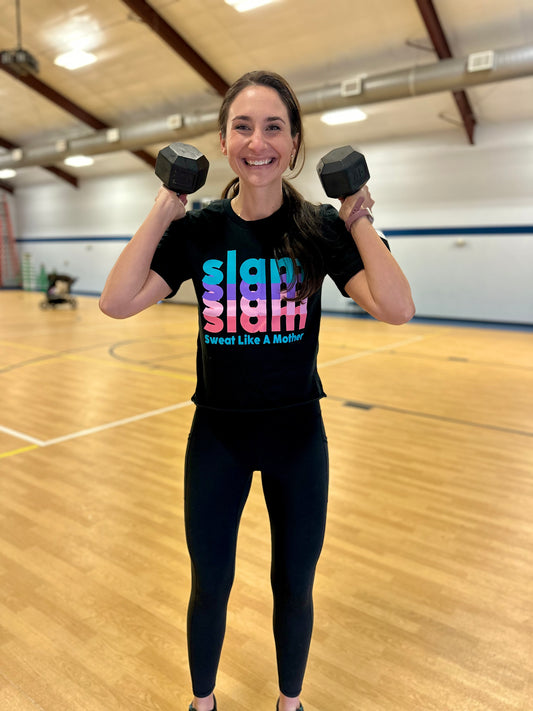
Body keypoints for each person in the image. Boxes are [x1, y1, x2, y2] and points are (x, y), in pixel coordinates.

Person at [99, 69, 415, 711]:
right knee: (209, 583)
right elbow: (117, 301)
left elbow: (396, 308)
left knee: (294, 584)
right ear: (223, 142)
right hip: (218, 437)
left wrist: (357, 217)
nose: (257, 141)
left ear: (294, 143)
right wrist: (165, 207)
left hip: (298, 438)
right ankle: (203, 703)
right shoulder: (200, 230)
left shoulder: (319, 228)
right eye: (242, 127)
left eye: (274, 127)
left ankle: (289, 703)